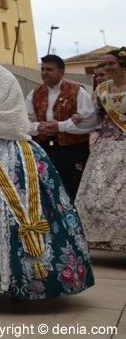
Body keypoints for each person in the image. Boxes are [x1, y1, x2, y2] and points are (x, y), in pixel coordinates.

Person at [0, 32, 93, 300]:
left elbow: (14, 119)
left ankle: (25, 280)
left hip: (10, 150)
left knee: (17, 210)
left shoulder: (5, 79)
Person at [25, 54, 97, 201]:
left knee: (76, 187)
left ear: (61, 73)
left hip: (73, 149)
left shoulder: (77, 91)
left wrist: (61, 126)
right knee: (49, 188)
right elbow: (24, 121)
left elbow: (90, 120)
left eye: (49, 69)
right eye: (43, 69)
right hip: (45, 149)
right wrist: (38, 128)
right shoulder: (34, 94)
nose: (44, 73)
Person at [76, 48, 126, 251]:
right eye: (105, 64)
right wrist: (79, 119)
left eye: (111, 64)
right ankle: (99, 238)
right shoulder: (102, 89)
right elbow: (94, 118)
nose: (107, 68)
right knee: (96, 193)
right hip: (105, 149)